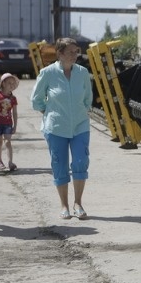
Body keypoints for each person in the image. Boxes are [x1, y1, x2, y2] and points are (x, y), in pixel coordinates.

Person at [30, 37, 93, 220]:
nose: (75, 55)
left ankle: (78, 203)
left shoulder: (82, 72)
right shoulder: (48, 73)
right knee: (60, 165)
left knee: (80, 161)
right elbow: (36, 100)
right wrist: (49, 112)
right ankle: (64, 205)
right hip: (56, 126)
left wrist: (82, 111)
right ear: (60, 53)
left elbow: (88, 98)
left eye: (77, 52)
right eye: (71, 52)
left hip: (80, 124)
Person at [0, 72, 19, 172]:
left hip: (8, 123)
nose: (11, 85)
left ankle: (10, 162)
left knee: (7, 142)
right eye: (9, 83)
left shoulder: (13, 98)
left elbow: (15, 113)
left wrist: (15, 126)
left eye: (13, 83)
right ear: (3, 83)